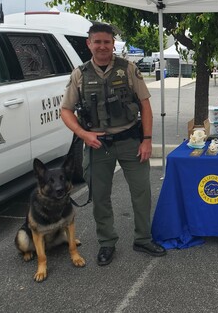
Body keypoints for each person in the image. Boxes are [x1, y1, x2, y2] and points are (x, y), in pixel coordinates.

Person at [61, 22, 166, 267]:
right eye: (97, 41)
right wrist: (83, 134)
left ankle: (143, 238)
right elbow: (66, 110)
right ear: (89, 44)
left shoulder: (128, 69)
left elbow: (145, 106)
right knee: (100, 197)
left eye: (107, 42)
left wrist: (147, 140)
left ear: (113, 44)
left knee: (142, 192)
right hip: (98, 145)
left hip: (130, 140)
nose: (102, 46)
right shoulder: (80, 74)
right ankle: (106, 242)